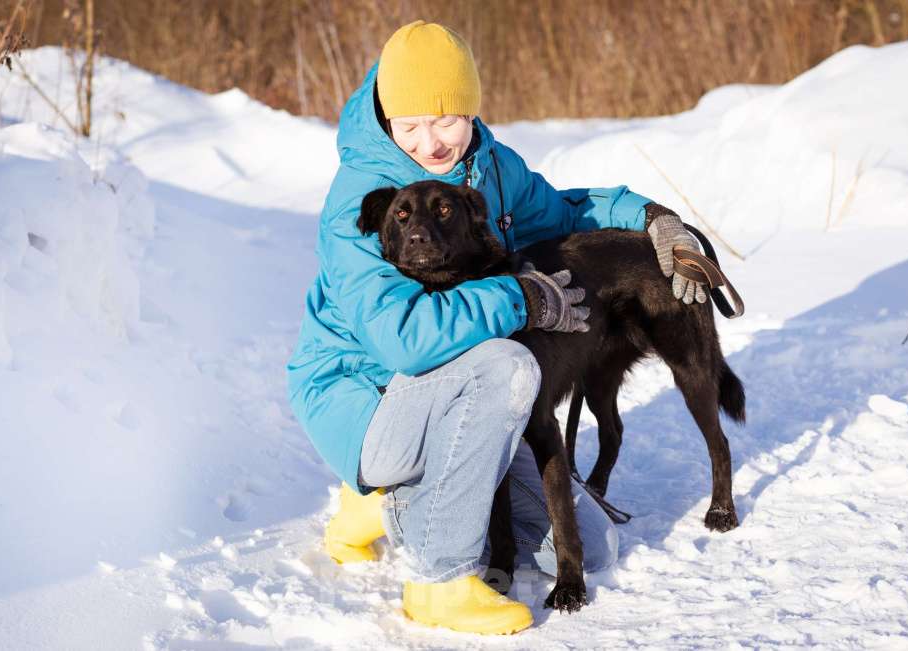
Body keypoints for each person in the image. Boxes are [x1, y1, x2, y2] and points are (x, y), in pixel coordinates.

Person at [286, 20, 707, 635]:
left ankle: (377, 506)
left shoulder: (490, 168)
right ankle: (437, 581)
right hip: (366, 401)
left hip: (457, 404)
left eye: (446, 121)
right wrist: (519, 296)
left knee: (590, 548)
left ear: (471, 110)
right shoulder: (362, 200)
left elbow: (564, 212)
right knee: (506, 363)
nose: (431, 142)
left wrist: (652, 217)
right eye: (410, 125)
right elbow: (403, 340)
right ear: (387, 118)